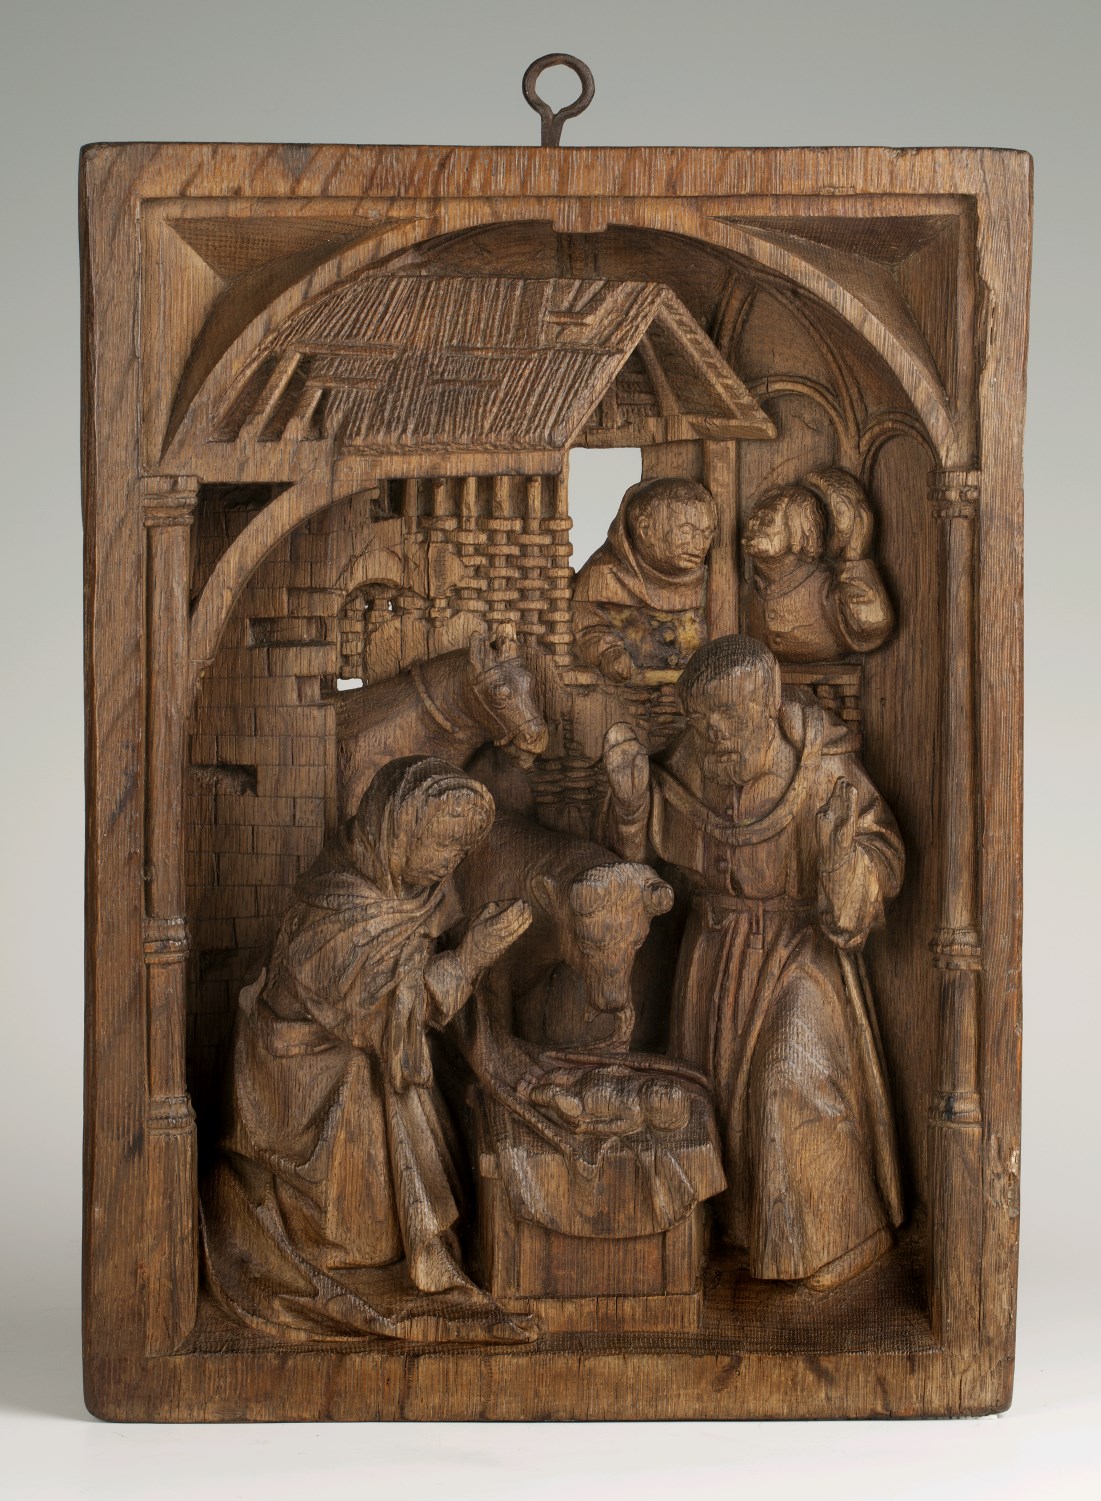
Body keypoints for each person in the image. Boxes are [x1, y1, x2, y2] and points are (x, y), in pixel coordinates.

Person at [601, 636, 905, 1289]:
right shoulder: (689, 766)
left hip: (801, 953)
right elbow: (639, 858)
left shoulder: (821, 767)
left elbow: (882, 854)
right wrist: (629, 803)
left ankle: (834, 1244)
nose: (714, 735)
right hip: (715, 956)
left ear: (768, 704)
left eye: (729, 716)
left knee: (787, 1079)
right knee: (706, 1099)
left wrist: (842, 861)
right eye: (701, 719)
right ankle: (739, 1234)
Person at [201, 756, 535, 1343]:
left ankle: (419, 1228)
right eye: (440, 844)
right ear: (395, 829)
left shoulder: (417, 891)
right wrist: (470, 958)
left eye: (458, 851)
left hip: (363, 1052)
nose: (448, 863)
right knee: (380, 1075)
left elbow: (416, 995)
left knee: (409, 1075)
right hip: (301, 1082)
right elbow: (387, 1016)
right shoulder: (334, 908)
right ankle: (364, 1240)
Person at [571, 477, 717, 680]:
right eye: (685, 531)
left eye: (706, 534)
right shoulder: (604, 574)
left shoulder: (713, 580)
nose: (699, 544)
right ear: (645, 529)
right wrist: (608, 653)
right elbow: (587, 627)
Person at [742, 470, 894, 661]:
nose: (754, 525)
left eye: (767, 520)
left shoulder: (828, 589)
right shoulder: (750, 591)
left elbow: (873, 626)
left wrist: (854, 556)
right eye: (754, 518)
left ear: (799, 530)